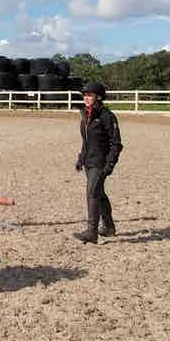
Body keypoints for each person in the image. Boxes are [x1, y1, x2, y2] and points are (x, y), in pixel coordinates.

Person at [73, 83, 123, 244]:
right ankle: (108, 227)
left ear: (98, 97)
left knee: (92, 193)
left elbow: (116, 144)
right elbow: (87, 141)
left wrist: (109, 165)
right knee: (99, 193)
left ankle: (91, 231)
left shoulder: (107, 116)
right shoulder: (86, 115)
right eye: (85, 95)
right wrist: (81, 158)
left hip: (100, 162)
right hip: (89, 160)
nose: (86, 98)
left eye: (90, 95)